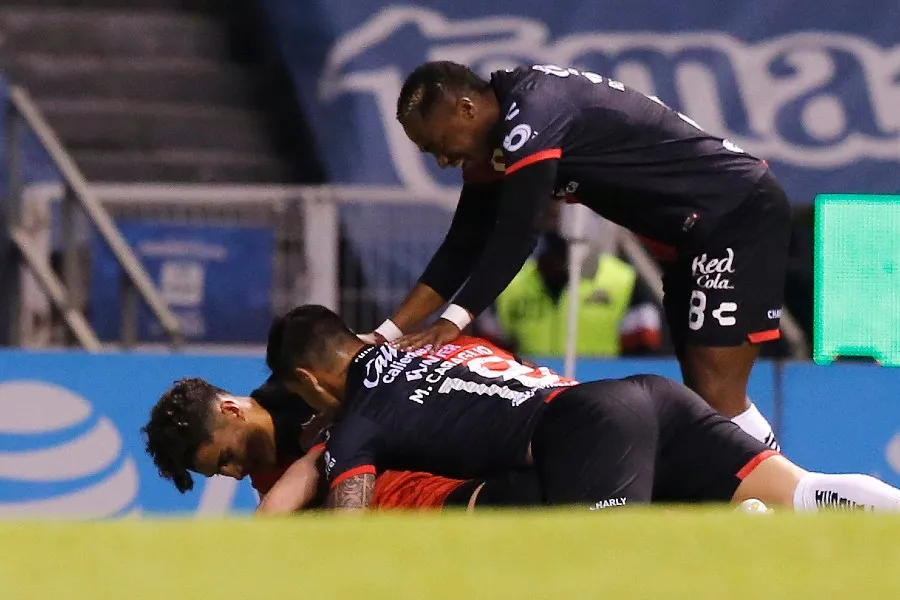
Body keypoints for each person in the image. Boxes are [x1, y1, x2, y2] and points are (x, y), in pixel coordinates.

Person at [360, 60, 793, 449]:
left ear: (467, 109)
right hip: (693, 233)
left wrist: (453, 321)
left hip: (734, 210)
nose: (441, 160)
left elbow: (517, 233)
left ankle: (788, 493)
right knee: (703, 393)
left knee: (716, 388)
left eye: (439, 143)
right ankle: (764, 496)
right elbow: (462, 245)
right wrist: (386, 333)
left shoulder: (533, 112)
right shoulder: (497, 138)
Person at [270, 305, 900, 512]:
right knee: (806, 491)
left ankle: (741, 537)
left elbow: (347, 516)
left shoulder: (360, 419)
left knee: (607, 566)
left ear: (306, 379)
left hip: (586, 430)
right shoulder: (448, 344)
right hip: (645, 396)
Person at [141, 377, 543, 513]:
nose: (235, 473)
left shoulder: (308, 386)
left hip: (483, 443)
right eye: (220, 472)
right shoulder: (269, 480)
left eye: (226, 458)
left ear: (231, 409)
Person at [495, 230, 662, 357]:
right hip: (533, 388)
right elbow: (492, 343)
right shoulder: (512, 282)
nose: (547, 264)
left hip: (602, 384)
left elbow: (645, 346)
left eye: (554, 257)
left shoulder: (620, 279)